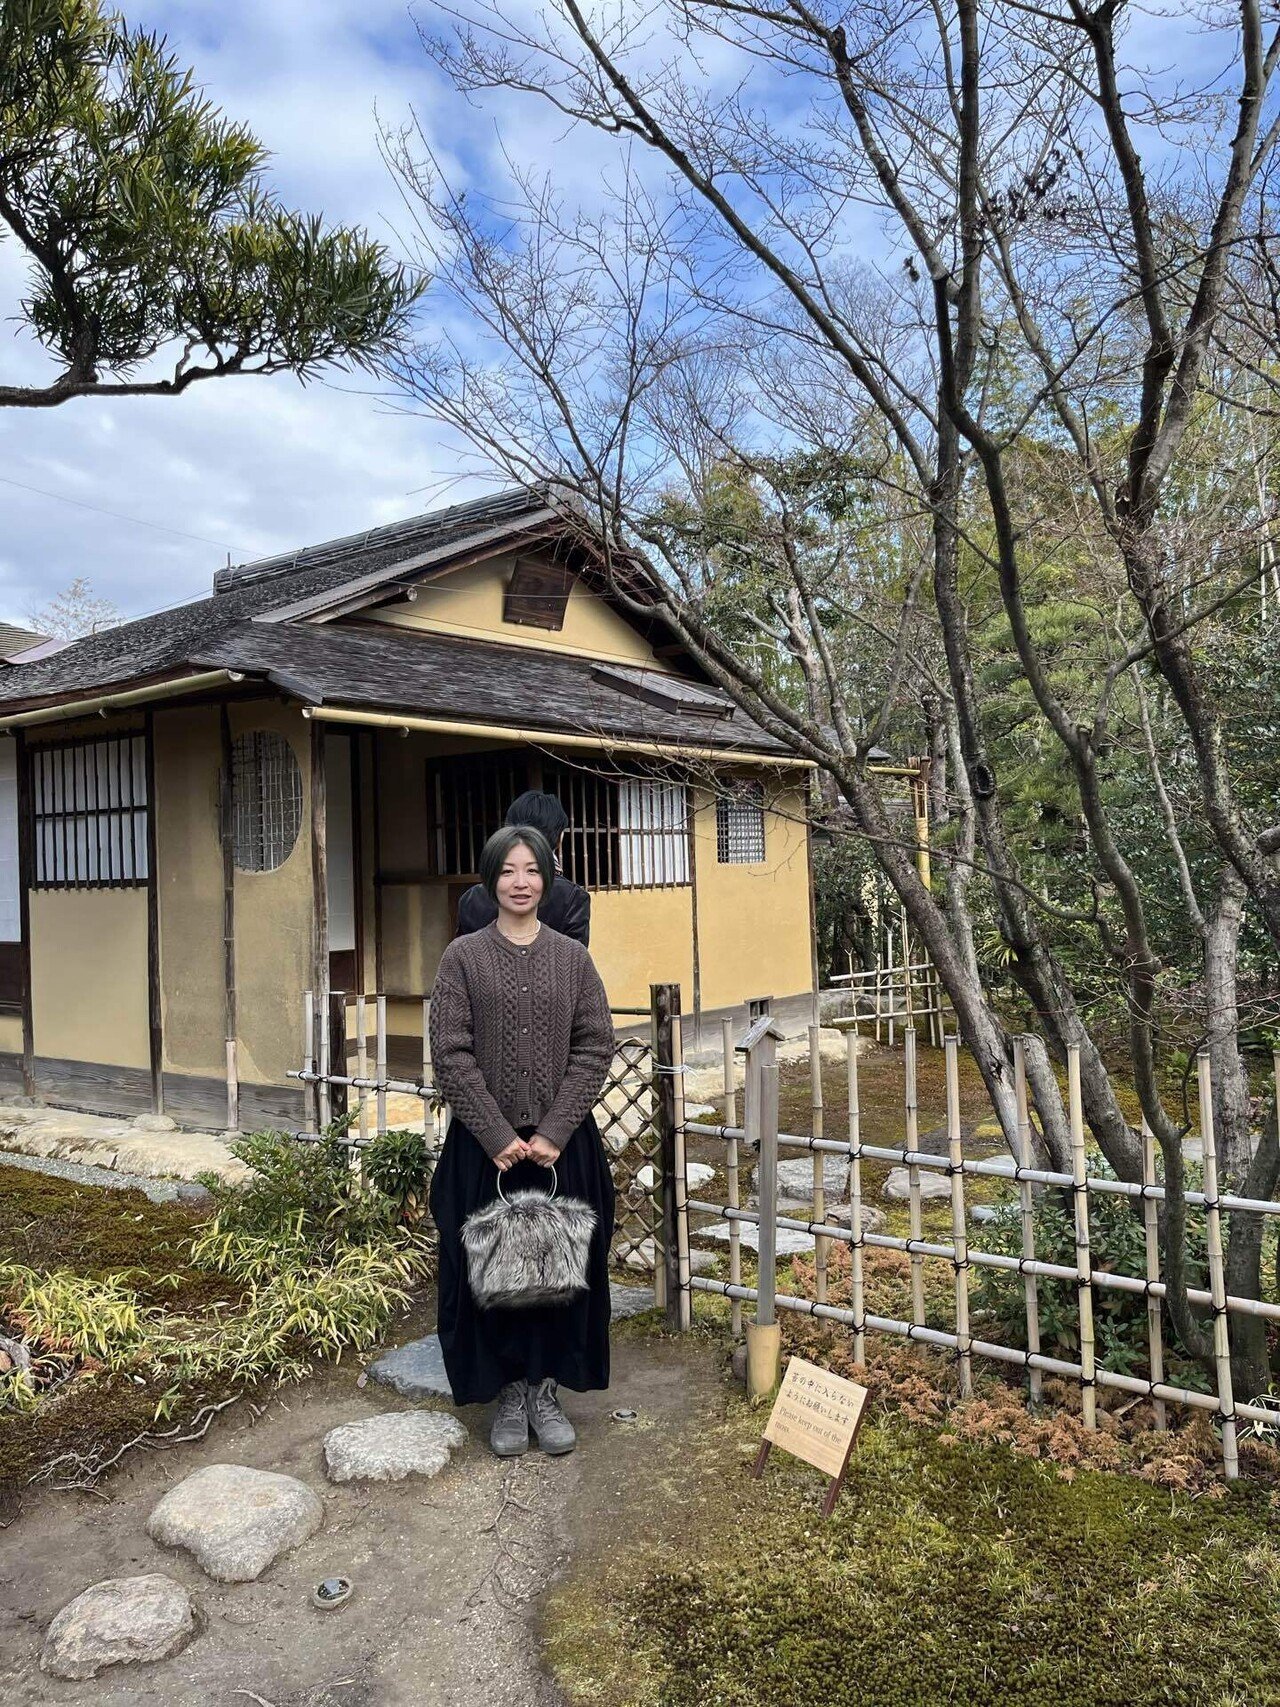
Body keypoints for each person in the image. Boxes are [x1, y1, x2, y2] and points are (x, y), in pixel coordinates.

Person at [428, 824, 616, 1457]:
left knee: (562, 1275)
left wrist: (557, 1129)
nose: (520, 882)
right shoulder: (463, 957)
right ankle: (508, 1393)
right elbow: (450, 1051)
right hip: (487, 1154)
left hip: (561, 1152)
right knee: (489, 1276)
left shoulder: (573, 958)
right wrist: (496, 1134)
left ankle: (546, 1390)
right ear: (490, 878)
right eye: (508, 870)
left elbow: (595, 1044)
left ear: (547, 879)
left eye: (531, 870)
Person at [454, 790, 590, 945]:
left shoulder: (471, 899)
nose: (521, 884)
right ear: (560, 838)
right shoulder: (573, 898)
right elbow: (575, 965)